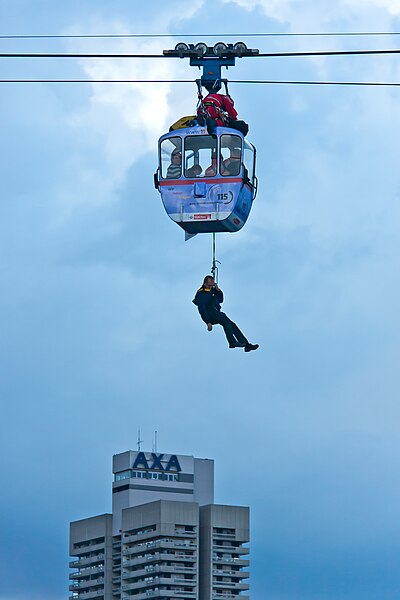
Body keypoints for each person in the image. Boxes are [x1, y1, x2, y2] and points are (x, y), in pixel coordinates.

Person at [193, 275, 259, 352]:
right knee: (226, 321)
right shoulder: (202, 293)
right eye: (210, 280)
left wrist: (218, 290)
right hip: (210, 313)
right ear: (205, 283)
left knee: (231, 325)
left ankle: (246, 345)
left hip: (216, 312)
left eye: (212, 280)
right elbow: (201, 308)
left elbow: (221, 300)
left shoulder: (212, 290)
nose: (212, 282)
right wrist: (207, 322)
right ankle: (232, 342)